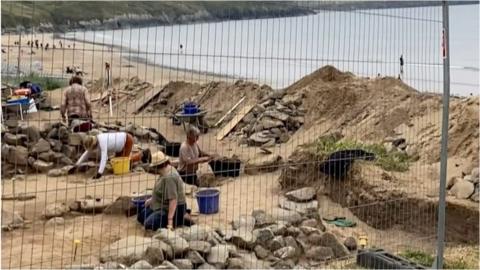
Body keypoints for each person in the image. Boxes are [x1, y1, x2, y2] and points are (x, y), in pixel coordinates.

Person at [137, 151, 194, 231]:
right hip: (161, 204)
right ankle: (180, 217)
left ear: (157, 166)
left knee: (149, 224)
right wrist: (151, 200)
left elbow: (173, 200)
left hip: (172, 209)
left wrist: (169, 221)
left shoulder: (169, 177)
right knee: (141, 217)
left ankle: (180, 219)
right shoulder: (165, 171)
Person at [76, 132, 152, 180]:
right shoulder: (95, 140)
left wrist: (99, 173)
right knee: (115, 164)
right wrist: (77, 164)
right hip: (120, 146)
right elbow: (86, 153)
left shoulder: (102, 141)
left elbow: (104, 158)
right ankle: (140, 156)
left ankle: (142, 154)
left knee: (124, 163)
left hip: (127, 141)